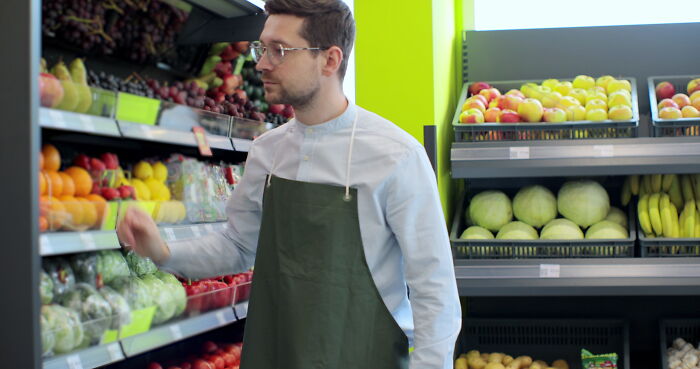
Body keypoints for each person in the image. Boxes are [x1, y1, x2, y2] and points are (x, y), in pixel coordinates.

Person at [116, 0, 461, 368]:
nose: (261, 63)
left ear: (330, 60)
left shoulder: (396, 156)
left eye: (279, 50)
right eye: (261, 48)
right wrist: (163, 252)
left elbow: (434, 288)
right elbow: (237, 245)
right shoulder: (267, 151)